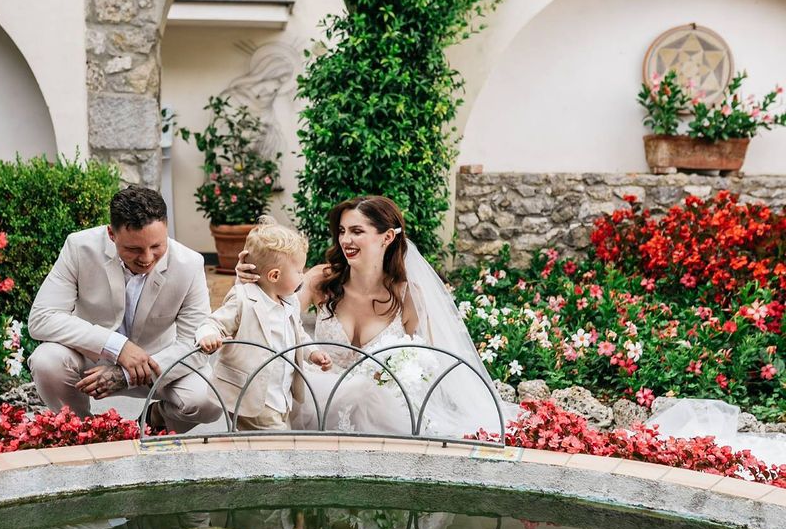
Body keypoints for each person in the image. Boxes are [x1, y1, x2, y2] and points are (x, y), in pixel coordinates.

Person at [238, 196, 507, 439]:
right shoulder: (321, 280)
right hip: (314, 402)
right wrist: (255, 279)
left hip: (382, 415)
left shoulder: (408, 295)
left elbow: (427, 363)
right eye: (342, 231)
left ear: (387, 237)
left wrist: (394, 374)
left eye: (357, 231)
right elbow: (267, 316)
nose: (345, 240)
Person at [27, 186, 222, 433]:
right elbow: (42, 318)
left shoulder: (190, 264)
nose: (147, 258)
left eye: (157, 246)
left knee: (208, 400)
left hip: (158, 363)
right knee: (46, 360)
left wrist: (125, 374)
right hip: (91, 360)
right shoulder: (79, 247)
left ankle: (155, 418)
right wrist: (117, 346)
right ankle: (82, 431)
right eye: (134, 249)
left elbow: (193, 346)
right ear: (111, 234)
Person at [195, 217, 332, 431]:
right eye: (298, 271)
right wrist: (208, 335)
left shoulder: (290, 301)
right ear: (274, 275)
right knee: (276, 445)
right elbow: (214, 322)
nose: (303, 276)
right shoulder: (243, 298)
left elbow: (298, 335)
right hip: (252, 396)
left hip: (281, 395)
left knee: (263, 448)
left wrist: (312, 352)